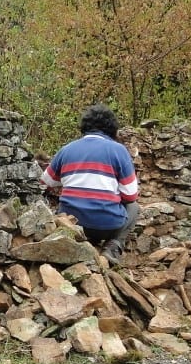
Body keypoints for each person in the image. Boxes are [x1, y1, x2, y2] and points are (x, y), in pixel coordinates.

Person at [40, 104, 139, 265]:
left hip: (71, 224)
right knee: (134, 207)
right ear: (113, 129)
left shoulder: (67, 149)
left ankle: (82, 240)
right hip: (107, 226)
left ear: (84, 126)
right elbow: (131, 195)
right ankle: (113, 247)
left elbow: (46, 182)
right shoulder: (119, 150)